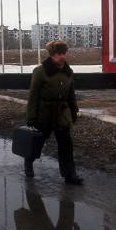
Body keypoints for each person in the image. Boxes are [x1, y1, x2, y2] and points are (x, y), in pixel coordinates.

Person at [25, 40, 83, 185]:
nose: (62, 56)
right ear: (51, 54)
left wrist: (74, 111)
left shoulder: (68, 72)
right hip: (44, 114)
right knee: (37, 143)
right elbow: (33, 96)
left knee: (66, 145)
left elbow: (71, 95)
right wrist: (31, 117)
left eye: (63, 53)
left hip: (62, 114)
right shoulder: (40, 71)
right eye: (58, 54)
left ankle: (69, 175)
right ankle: (28, 161)